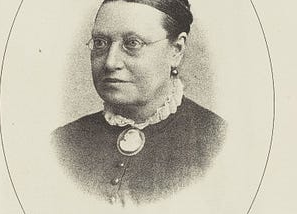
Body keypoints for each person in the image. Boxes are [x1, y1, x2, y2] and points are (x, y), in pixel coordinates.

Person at [52, 0, 226, 206]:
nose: (110, 62)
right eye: (100, 43)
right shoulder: (60, 144)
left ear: (176, 50)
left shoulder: (217, 142)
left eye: (132, 43)